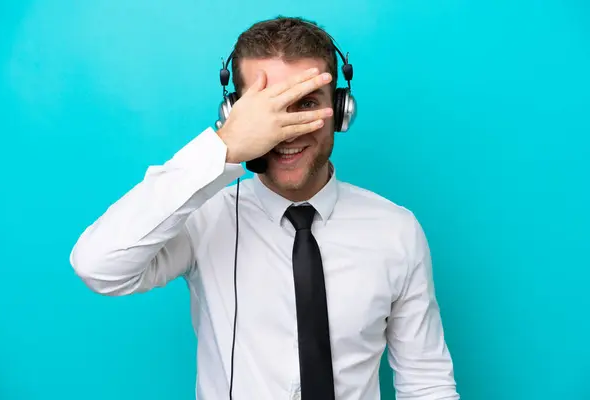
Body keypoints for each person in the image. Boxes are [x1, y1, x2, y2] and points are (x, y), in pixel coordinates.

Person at [70, 16, 459, 400]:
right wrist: (223, 147)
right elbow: (98, 266)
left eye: (306, 104)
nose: (287, 130)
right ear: (234, 113)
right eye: (269, 109)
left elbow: (426, 383)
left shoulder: (396, 230)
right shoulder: (203, 218)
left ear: (340, 110)